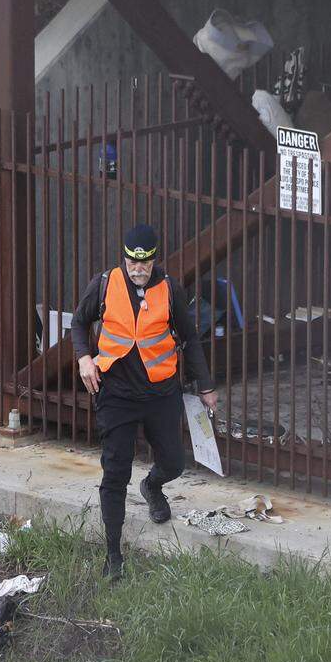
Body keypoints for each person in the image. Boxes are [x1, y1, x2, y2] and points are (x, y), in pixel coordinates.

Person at [71, 224, 218, 579]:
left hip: (160, 393)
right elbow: (78, 323)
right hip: (116, 394)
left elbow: (190, 339)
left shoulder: (170, 290)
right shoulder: (104, 283)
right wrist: (83, 358)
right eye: (132, 263)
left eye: (145, 263)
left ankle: (152, 485)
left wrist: (206, 387)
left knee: (174, 463)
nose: (138, 269)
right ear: (124, 258)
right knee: (115, 473)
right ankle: (113, 556)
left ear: (154, 259)